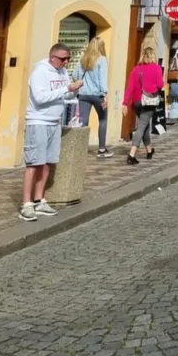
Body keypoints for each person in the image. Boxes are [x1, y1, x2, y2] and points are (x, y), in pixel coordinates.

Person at [20, 43, 83, 221]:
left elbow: (65, 96)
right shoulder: (40, 73)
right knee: (34, 163)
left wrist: (74, 91)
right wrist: (65, 89)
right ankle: (26, 203)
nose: (66, 62)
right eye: (63, 59)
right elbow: (40, 98)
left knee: (47, 162)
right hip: (38, 121)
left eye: (68, 59)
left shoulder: (63, 72)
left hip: (54, 122)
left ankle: (40, 200)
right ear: (52, 57)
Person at [122, 47, 164, 166]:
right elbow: (160, 84)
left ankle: (149, 150)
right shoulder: (156, 68)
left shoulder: (136, 69)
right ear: (152, 56)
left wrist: (125, 103)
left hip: (136, 102)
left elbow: (130, 87)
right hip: (149, 102)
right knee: (141, 126)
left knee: (144, 124)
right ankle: (131, 154)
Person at [73, 37, 112, 157]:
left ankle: (80, 148)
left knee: (83, 121)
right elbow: (102, 79)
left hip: (83, 94)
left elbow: (75, 75)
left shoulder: (84, 59)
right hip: (97, 95)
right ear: (101, 47)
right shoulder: (102, 60)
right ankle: (101, 149)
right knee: (103, 119)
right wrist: (104, 94)